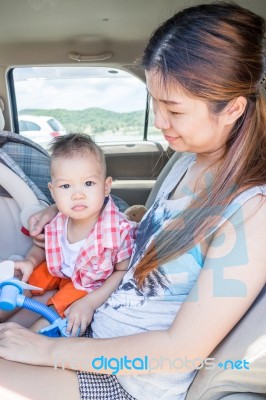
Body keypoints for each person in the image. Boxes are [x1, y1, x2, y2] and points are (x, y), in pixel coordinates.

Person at [0, 2, 266, 399]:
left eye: (173, 108)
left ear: (232, 109)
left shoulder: (251, 210)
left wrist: (49, 350)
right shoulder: (187, 162)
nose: (160, 121)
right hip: (95, 332)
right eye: (154, 102)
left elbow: (181, 350)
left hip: (128, 382)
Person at [0, 133, 136, 336]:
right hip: (56, 270)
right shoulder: (57, 219)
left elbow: (122, 272)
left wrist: (89, 303)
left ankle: (33, 338)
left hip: (88, 284)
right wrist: (29, 261)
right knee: (20, 284)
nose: (77, 194)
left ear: (106, 186)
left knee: (59, 310)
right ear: (53, 191)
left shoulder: (118, 230)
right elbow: (42, 246)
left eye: (88, 183)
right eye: (65, 186)